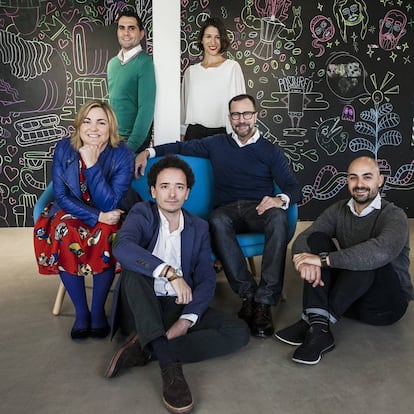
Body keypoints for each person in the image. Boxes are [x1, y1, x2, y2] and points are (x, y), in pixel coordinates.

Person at [135, 94, 302, 338]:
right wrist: (148, 152)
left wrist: (279, 200)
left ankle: (264, 303)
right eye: (236, 115)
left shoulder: (270, 151)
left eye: (246, 114)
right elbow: (180, 147)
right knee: (216, 220)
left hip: (258, 209)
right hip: (226, 209)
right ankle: (247, 296)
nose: (241, 120)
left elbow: (293, 186)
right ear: (230, 118)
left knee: (278, 217)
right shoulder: (217, 143)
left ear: (256, 116)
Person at [105, 155, 249, 414]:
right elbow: (123, 247)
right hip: (140, 305)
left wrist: (186, 320)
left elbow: (205, 277)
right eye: (164, 186)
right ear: (153, 191)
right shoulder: (142, 213)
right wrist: (169, 272)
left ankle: (148, 346)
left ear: (187, 193)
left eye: (179, 187)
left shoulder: (199, 227)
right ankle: (169, 368)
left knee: (238, 331)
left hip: (176, 305)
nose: (172, 194)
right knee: (133, 273)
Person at [275, 156, 413, 365]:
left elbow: (379, 253)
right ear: (347, 181)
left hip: (385, 307)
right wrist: (302, 260)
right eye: (353, 178)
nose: (359, 184)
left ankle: (313, 320)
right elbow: (305, 237)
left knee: (367, 257)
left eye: (367, 177)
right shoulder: (339, 209)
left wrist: (321, 260)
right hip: (350, 299)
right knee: (317, 239)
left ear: (380, 180)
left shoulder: (394, 215)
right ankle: (319, 325)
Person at [34, 100, 135, 340]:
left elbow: (110, 203)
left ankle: (98, 310)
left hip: (108, 211)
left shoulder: (122, 154)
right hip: (73, 210)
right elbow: (61, 195)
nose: (93, 128)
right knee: (65, 229)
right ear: (79, 125)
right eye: (87, 121)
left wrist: (91, 165)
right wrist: (95, 215)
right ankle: (81, 312)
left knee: (107, 230)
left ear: (110, 127)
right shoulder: (63, 148)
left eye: (101, 122)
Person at [181, 16, 246, 140]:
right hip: (194, 134)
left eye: (217, 37)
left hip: (222, 135)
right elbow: (183, 109)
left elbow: (241, 106)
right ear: (201, 40)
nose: (213, 42)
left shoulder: (232, 67)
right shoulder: (191, 72)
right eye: (208, 36)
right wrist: (182, 133)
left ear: (223, 40)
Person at [108, 9, 156, 153]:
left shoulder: (145, 63)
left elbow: (146, 109)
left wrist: (131, 147)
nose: (126, 33)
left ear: (141, 34)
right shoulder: (112, 64)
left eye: (131, 28)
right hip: (111, 140)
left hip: (132, 144)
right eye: (122, 28)